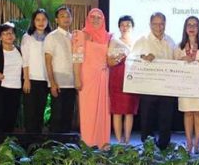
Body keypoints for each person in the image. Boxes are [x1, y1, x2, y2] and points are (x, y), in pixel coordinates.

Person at [132, 12, 177, 150]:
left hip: (167, 87)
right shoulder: (142, 40)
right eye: (156, 24)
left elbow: (175, 62)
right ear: (150, 24)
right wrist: (143, 58)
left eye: (162, 23)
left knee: (166, 119)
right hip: (148, 88)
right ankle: (148, 147)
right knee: (147, 119)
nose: (159, 27)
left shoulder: (171, 41)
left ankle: (164, 147)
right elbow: (131, 60)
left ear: (165, 24)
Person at [72, 8, 111, 149]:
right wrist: (77, 78)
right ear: (88, 19)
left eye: (99, 17)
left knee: (103, 111)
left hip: (103, 77)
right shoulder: (81, 35)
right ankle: (88, 144)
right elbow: (76, 58)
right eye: (92, 17)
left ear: (103, 20)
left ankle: (103, 143)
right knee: (88, 111)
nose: (95, 20)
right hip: (87, 77)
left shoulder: (108, 37)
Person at [174, 16, 199, 153]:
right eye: (189, 24)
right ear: (185, 28)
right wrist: (183, 59)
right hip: (185, 84)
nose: (192, 27)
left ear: (198, 28)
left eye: (195, 25)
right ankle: (189, 142)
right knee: (188, 113)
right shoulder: (179, 46)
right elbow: (172, 64)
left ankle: (197, 142)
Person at [44, 6, 77, 133]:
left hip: (71, 83)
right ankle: (53, 147)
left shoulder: (74, 37)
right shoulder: (52, 36)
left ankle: (65, 148)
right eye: (62, 16)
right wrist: (52, 82)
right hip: (58, 83)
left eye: (68, 16)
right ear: (56, 20)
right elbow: (48, 61)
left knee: (68, 117)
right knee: (57, 117)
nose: (66, 18)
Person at [108, 15, 139, 144]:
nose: (125, 27)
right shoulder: (114, 41)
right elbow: (109, 62)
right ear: (119, 27)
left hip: (132, 80)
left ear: (132, 27)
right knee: (117, 111)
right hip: (117, 78)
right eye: (123, 25)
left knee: (129, 111)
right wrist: (117, 59)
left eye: (128, 25)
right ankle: (119, 140)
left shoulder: (137, 42)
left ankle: (127, 140)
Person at [21, 9, 52, 133]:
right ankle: (29, 143)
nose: (41, 22)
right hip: (31, 80)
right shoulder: (27, 37)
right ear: (33, 21)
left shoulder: (51, 37)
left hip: (45, 80)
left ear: (48, 21)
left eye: (44, 19)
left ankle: (38, 143)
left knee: (40, 112)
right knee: (30, 113)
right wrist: (26, 79)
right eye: (38, 19)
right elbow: (25, 60)